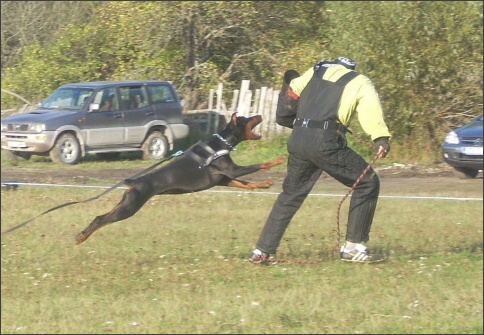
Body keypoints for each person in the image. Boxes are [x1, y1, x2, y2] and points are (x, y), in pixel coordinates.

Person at [249, 56, 392, 264]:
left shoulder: (316, 70)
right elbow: (371, 110)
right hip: (325, 141)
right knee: (367, 182)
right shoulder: (360, 81)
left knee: (290, 195)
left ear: (335, 65)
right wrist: (381, 138)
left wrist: (291, 120)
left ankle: (261, 251)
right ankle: (353, 248)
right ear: (351, 69)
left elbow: (291, 90)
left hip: (298, 139)